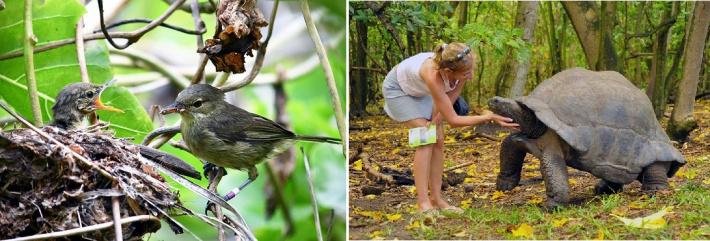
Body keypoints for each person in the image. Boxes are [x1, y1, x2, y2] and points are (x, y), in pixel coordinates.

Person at [382, 42, 519, 216]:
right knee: (425, 138)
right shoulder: (432, 76)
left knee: (438, 138)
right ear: (448, 72)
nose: (472, 75)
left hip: (422, 92)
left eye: (473, 70)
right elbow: (454, 120)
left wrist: (438, 120)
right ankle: (423, 203)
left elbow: (452, 93)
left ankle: (437, 199)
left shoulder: (458, 66)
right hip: (399, 90)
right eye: (467, 73)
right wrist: (489, 117)